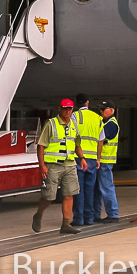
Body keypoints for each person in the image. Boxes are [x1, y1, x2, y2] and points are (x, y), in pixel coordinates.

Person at [33, 98, 86, 234]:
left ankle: (66, 224)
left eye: (70, 109)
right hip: (53, 165)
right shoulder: (51, 124)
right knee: (49, 196)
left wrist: (82, 158)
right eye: (65, 108)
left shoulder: (74, 124)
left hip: (69, 164)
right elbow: (41, 146)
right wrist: (42, 165)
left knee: (69, 194)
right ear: (60, 109)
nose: (68, 111)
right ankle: (38, 215)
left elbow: (77, 144)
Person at [71, 93, 102, 227]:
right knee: (90, 189)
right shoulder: (98, 118)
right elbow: (101, 141)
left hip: (78, 158)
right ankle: (89, 218)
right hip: (92, 158)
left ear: (76, 104)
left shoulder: (74, 116)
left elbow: (70, 137)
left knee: (78, 189)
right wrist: (98, 159)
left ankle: (79, 218)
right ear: (88, 103)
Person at [96, 101, 120, 222]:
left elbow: (101, 140)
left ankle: (113, 214)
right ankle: (104, 214)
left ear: (111, 110)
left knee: (106, 187)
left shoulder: (110, 124)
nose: (100, 111)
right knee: (103, 187)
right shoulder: (106, 123)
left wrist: (98, 159)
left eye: (103, 109)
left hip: (105, 161)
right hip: (104, 161)